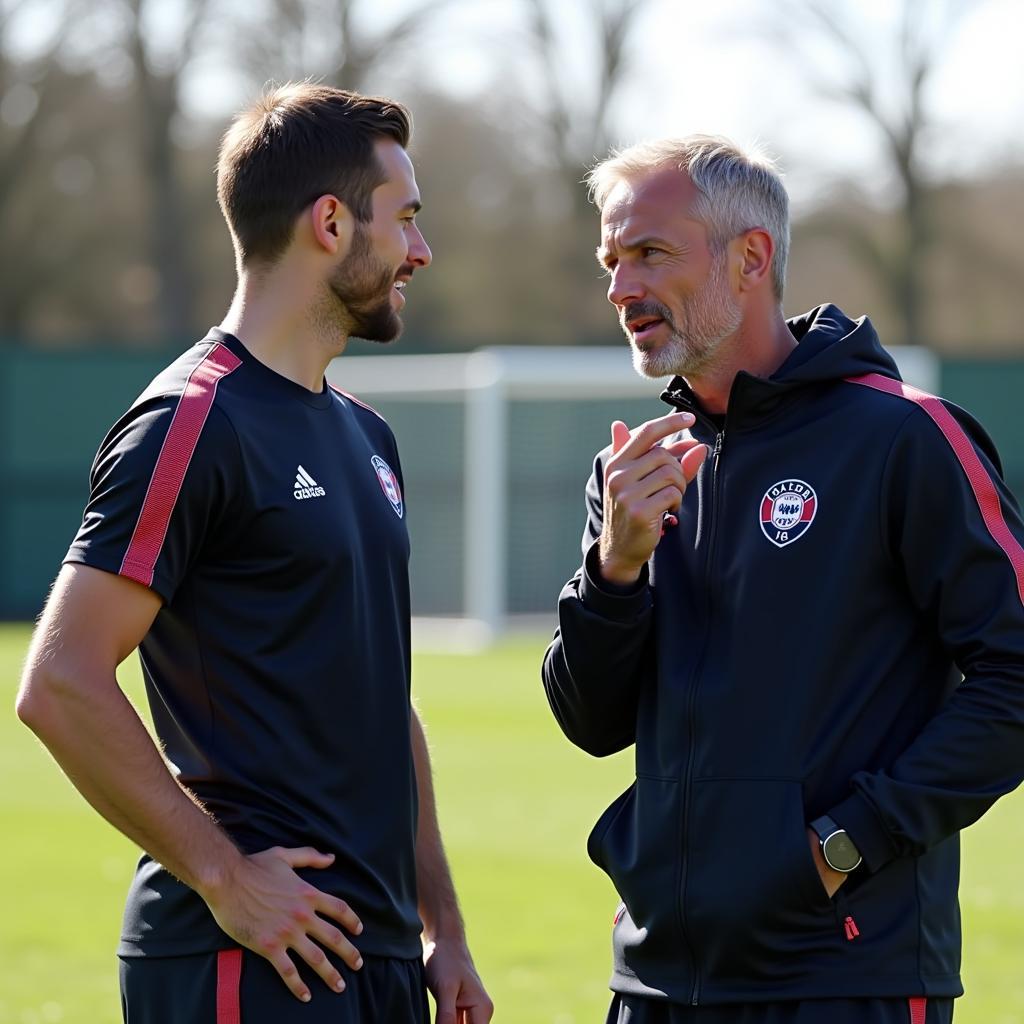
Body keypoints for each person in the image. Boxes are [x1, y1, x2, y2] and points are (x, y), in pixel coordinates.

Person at [16, 83, 493, 1024]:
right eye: (406, 220)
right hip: (247, 959)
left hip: (377, 957)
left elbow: (383, 702)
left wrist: (441, 927)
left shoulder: (367, 437)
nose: (422, 251)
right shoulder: (192, 422)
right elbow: (60, 681)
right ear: (329, 223)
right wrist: (227, 877)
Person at [541, 134, 1024, 1024]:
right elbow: (591, 723)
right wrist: (616, 571)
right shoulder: (639, 471)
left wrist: (844, 844)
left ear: (751, 257)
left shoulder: (902, 439)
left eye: (649, 253)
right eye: (612, 261)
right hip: (656, 981)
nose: (620, 288)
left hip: (844, 979)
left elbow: (1016, 677)